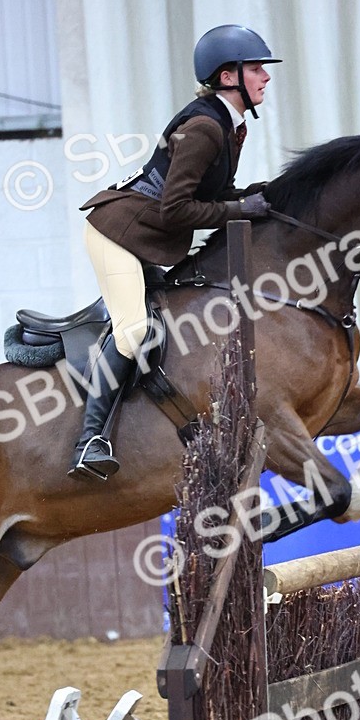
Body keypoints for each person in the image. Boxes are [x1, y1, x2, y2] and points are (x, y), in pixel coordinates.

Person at [69, 24, 281, 481]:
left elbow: (216, 194)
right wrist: (241, 207)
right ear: (229, 77)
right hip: (119, 234)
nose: (265, 77)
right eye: (257, 68)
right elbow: (179, 208)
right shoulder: (205, 127)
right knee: (134, 331)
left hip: (144, 232)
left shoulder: (228, 123)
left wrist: (266, 195)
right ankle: (90, 440)